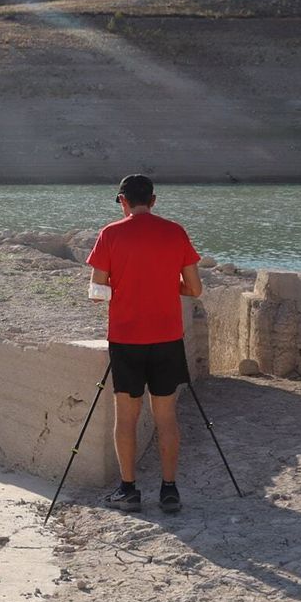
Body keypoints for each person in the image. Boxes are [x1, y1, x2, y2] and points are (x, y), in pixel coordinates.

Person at [86, 174, 202, 513]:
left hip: (126, 339)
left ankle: (129, 490)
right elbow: (195, 289)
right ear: (153, 201)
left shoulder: (110, 234)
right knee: (166, 416)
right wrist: (166, 285)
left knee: (127, 417)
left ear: (123, 201)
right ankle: (169, 490)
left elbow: (97, 292)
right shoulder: (175, 232)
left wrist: (125, 284)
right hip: (167, 339)